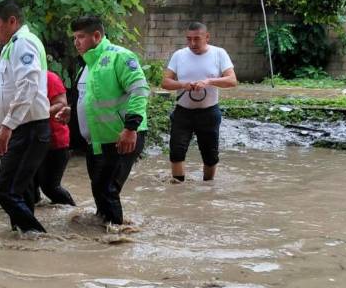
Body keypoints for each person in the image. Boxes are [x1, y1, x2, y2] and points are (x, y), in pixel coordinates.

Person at [0, 0, 51, 234]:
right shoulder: (12, 46)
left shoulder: (22, 43)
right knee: (20, 192)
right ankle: (23, 242)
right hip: (24, 128)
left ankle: (39, 238)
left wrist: (6, 126)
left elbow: (28, 86)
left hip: (29, 129)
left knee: (5, 190)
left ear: (12, 21)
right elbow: (13, 94)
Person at [71, 15, 149, 226]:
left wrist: (131, 128)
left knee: (107, 188)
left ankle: (117, 237)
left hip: (122, 137)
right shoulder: (86, 65)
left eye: (81, 37)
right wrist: (69, 112)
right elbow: (90, 100)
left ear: (97, 36)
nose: (76, 42)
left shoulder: (120, 57)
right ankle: (103, 228)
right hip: (96, 141)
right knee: (99, 189)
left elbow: (139, 90)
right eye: (74, 38)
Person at [162, 22, 238, 182]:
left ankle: (208, 189)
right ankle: (178, 189)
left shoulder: (219, 53)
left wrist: (209, 81)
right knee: (176, 153)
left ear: (207, 37)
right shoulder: (179, 55)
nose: (192, 44)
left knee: (210, 156)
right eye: (188, 39)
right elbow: (165, 82)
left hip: (209, 112)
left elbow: (232, 80)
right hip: (183, 112)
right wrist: (183, 84)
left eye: (197, 39)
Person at [33, 71, 76, 206]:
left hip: (55, 141)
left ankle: (72, 212)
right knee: (27, 183)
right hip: (32, 141)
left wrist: (34, 115)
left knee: (50, 187)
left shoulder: (49, 77)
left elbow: (61, 104)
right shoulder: (18, 78)